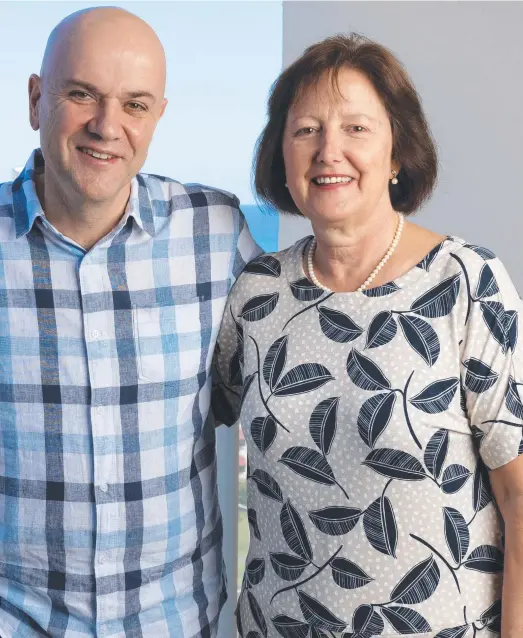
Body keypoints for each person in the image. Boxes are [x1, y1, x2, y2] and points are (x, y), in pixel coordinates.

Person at [213, 33, 523, 637]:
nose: (329, 151)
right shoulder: (257, 292)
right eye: (306, 130)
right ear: (281, 152)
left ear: (398, 153)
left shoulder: (467, 284)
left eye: (356, 128)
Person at [0, 7, 260, 637]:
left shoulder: (217, 233)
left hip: (176, 623)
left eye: (134, 104)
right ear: (37, 99)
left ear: (158, 118)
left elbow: (271, 392)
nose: (106, 126)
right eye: (82, 93)